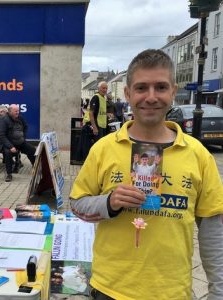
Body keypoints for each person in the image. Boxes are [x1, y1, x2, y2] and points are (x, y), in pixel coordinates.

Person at [69, 49, 223, 299]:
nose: (151, 97)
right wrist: (108, 202)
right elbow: (77, 205)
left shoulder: (198, 155)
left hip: (172, 291)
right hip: (110, 289)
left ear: (173, 91)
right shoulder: (104, 149)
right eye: (141, 88)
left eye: (160, 87)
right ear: (128, 94)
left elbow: (213, 231)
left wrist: (218, 292)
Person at [0, 104, 36, 182]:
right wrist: (10, 146)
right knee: (7, 153)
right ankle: (9, 174)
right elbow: (2, 136)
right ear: (10, 111)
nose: (17, 112)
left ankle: (35, 168)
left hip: (20, 142)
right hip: (9, 144)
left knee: (32, 150)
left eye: (18, 110)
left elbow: (25, 126)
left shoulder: (20, 118)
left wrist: (23, 137)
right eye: (15, 111)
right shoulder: (4, 120)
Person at [0, 105, 22, 169]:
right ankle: (18, 161)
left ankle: (6, 159)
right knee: (13, 142)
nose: (8, 114)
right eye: (6, 112)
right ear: (2, 112)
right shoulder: (3, 119)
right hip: (0, 142)